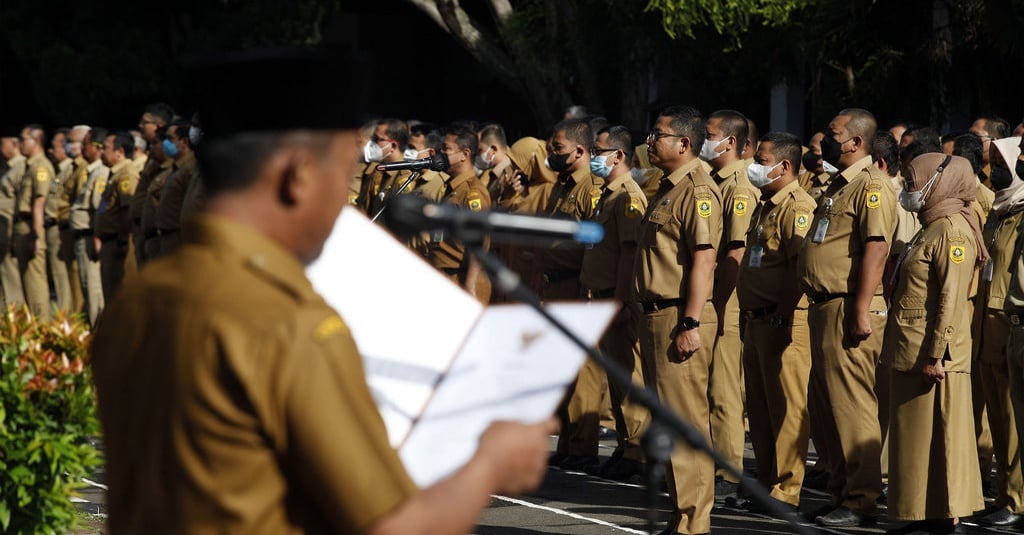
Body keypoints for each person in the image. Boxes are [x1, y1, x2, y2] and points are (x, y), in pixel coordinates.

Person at [91, 47, 553, 535]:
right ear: (297, 176)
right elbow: (393, 526)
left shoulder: (135, 303)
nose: (345, 196)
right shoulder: (292, 324)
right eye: (342, 171)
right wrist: (490, 462)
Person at [798, 108, 894, 527]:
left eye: (834, 135)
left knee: (852, 407)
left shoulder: (872, 186)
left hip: (847, 305)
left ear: (856, 142)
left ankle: (861, 499)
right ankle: (840, 491)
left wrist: (860, 308)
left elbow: (876, 248)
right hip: (823, 306)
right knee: (826, 408)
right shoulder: (837, 186)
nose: (826, 142)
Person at [883, 153, 986, 535]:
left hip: (932, 356)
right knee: (915, 440)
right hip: (912, 349)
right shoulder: (930, 226)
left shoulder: (952, 231)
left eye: (913, 181)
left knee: (940, 436)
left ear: (938, 182)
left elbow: (951, 299)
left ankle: (947, 516)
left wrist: (935, 354)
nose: (908, 188)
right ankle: (922, 512)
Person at [634, 105, 722, 535]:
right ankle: (681, 515)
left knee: (684, 422)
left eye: (658, 135)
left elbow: (704, 262)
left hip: (677, 315)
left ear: (684, 143)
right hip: (655, 313)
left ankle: (694, 523)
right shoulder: (666, 187)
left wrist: (690, 324)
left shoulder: (698, 191)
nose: (650, 142)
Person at [737, 132, 816, 514]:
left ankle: (786, 489)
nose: (755, 164)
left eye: (762, 159)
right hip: (756, 319)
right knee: (762, 409)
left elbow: (798, 268)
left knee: (786, 408)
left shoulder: (797, 206)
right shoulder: (765, 205)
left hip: (781, 320)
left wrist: (783, 313)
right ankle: (766, 482)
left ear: (784, 166)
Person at [579, 125, 648, 480]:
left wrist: (620, 300)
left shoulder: (628, 196)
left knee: (628, 377)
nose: (593, 157)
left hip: (617, 299)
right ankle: (625, 445)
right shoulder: (606, 194)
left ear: (619, 156)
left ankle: (636, 451)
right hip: (603, 295)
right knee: (616, 379)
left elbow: (629, 254)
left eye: (599, 151)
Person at [702, 109, 758, 495]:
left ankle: (727, 473)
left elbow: (735, 253)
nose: (705, 140)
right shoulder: (715, 181)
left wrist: (720, 305)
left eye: (709, 134)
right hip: (713, 295)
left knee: (724, 390)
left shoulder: (737, 187)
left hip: (727, 298)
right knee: (709, 388)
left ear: (731, 143)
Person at [974, 135, 1024, 528]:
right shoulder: (999, 210)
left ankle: (1017, 499)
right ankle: (1004, 492)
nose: (996, 171)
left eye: (1001, 163)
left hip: (1008, 321)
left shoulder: (1021, 212)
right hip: (986, 322)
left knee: (1012, 415)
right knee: (998, 414)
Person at [423, 128, 491, 304]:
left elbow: (480, 239)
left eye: (447, 149)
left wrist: (470, 285)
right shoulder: (451, 188)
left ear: (464, 154)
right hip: (444, 276)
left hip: (459, 279)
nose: (441, 154)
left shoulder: (472, 192)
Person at [94, 131, 140, 301]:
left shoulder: (126, 173)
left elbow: (126, 209)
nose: (101, 152)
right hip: (110, 242)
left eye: (105, 148)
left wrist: (122, 241)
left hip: (118, 243)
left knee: (120, 296)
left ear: (120, 152)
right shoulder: (114, 174)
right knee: (111, 294)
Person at [70, 128, 109, 324]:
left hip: (89, 236)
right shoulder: (91, 171)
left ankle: (96, 332)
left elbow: (97, 209)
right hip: (82, 237)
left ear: (96, 147)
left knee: (93, 290)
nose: (83, 148)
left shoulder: (100, 173)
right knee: (88, 288)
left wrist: (96, 237)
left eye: (86, 144)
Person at [15, 125, 54, 319]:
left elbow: (39, 203)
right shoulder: (30, 165)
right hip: (23, 227)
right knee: (27, 285)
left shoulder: (41, 166)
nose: (20, 143)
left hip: (32, 227)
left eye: (23, 139)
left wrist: (35, 236)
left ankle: (43, 327)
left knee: (35, 284)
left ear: (36, 141)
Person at [154, 119, 196, 256]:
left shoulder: (189, 169)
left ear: (184, 142)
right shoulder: (176, 169)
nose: (165, 143)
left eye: (170, 139)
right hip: (165, 238)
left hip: (178, 239)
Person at [0, 128, 25, 307]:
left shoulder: (22, 167)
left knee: (13, 277)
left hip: (11, 229)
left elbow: (21, 202)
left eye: (3, 143)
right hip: (3, 229)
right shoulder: (10, 168)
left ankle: (16, 319)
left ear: (14, 144)